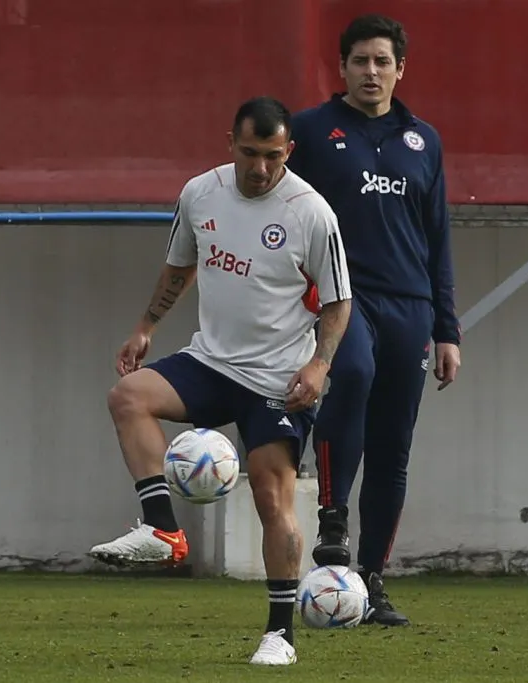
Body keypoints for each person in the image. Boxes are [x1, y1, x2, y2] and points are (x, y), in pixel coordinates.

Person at [88, 95, 353, 666]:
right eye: (250, 153)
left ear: (290, 151)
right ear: (229, 143)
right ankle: (163, 532)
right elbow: (180, 266)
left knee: (269, 490)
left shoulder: (311, 213)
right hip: (211, 362)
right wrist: (146, 328)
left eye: (273, 156)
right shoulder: (200, 193)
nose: (260, 168)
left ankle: (279, 635)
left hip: (279, 378)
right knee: (127, 396)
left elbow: (339, 303)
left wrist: (319, 365)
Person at [285, 14, 461, 627]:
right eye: (360, 61)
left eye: (383, 61)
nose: (371, 71)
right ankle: (332, 522)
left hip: (410, 306)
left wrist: (448, 330)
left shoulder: (424, 141)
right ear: (342, 69)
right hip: (340, 298)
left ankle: (372, 580)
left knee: (393, 449)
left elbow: (438, 236)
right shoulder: (309, 131)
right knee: (351, 371)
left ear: (400, 69)